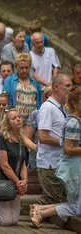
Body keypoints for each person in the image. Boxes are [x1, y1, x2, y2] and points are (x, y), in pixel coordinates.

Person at [30, 87, 81, 228]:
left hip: (75, 166)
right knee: (75, 207)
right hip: (72, 168)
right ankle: (40, 212)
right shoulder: (73, 122)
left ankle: (40, 209)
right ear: (75, 103)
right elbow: (68, 148)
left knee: (75, 205)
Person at [36, 74, 72, 205]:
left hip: (60, 162)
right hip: (49, 164)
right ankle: (33, 210)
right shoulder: (47, 108)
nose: (70, 89)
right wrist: (66, 143)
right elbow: (42, 136)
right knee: (53, 202)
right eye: (67, 86)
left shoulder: (61, 107)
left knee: (58, 201)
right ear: (56, 87)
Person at [0, 108, 28, 226]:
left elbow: (23, 161)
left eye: (19, 117)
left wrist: (24, 180)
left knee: (14, 220)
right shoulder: (0, 138)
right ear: (7, 122)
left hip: (16, 182)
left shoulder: (20, 138)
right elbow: (4, 165)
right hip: (3, 181)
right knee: (6, 221)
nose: (18, 119)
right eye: (14, 118)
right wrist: (18, 181)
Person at [3, 53, 42, 121]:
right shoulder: (9, 81)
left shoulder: (35, 83)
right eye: (21, 68)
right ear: (16, 68)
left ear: (30, 67)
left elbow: (39, 104)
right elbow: (5, 101)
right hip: (15, 121)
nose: (24, 70)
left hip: (32, 122)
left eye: (27, 67)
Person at [24, 87, 52, 169]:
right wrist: (37, 148)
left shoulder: (63, 113)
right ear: (45, 99)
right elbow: (26, 138)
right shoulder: (36, 114)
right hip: (38, 159)